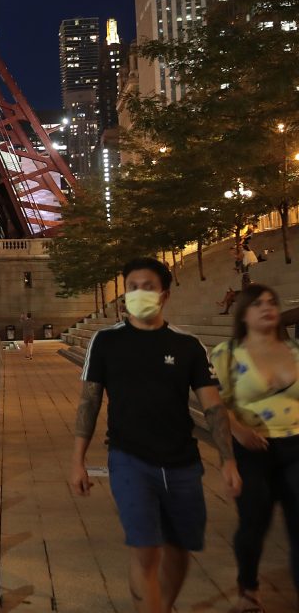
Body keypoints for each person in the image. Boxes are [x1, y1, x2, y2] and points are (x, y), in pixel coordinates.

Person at [70, 256, 241, 613]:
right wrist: (78, 461)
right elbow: (89, 402)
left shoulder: (189, 345)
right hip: (129, 459)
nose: (139, 293)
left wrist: (228, 461)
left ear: (164, 295)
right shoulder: (104, 342)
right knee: (145, 550)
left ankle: (163, 605)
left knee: (180, 551)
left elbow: (211, 405)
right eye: (132, 287)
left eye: (148, 287)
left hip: (182, 462)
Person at [211, 284, 299, 611]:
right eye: (258, 303)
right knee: (253, 523)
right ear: (244, 314)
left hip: (295, 446)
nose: (267, 308)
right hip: (253, 451)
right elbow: (216, 404)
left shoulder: (296, 351)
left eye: (271, 302)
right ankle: (248, 587)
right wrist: (237, 433)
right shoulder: (227, 353)